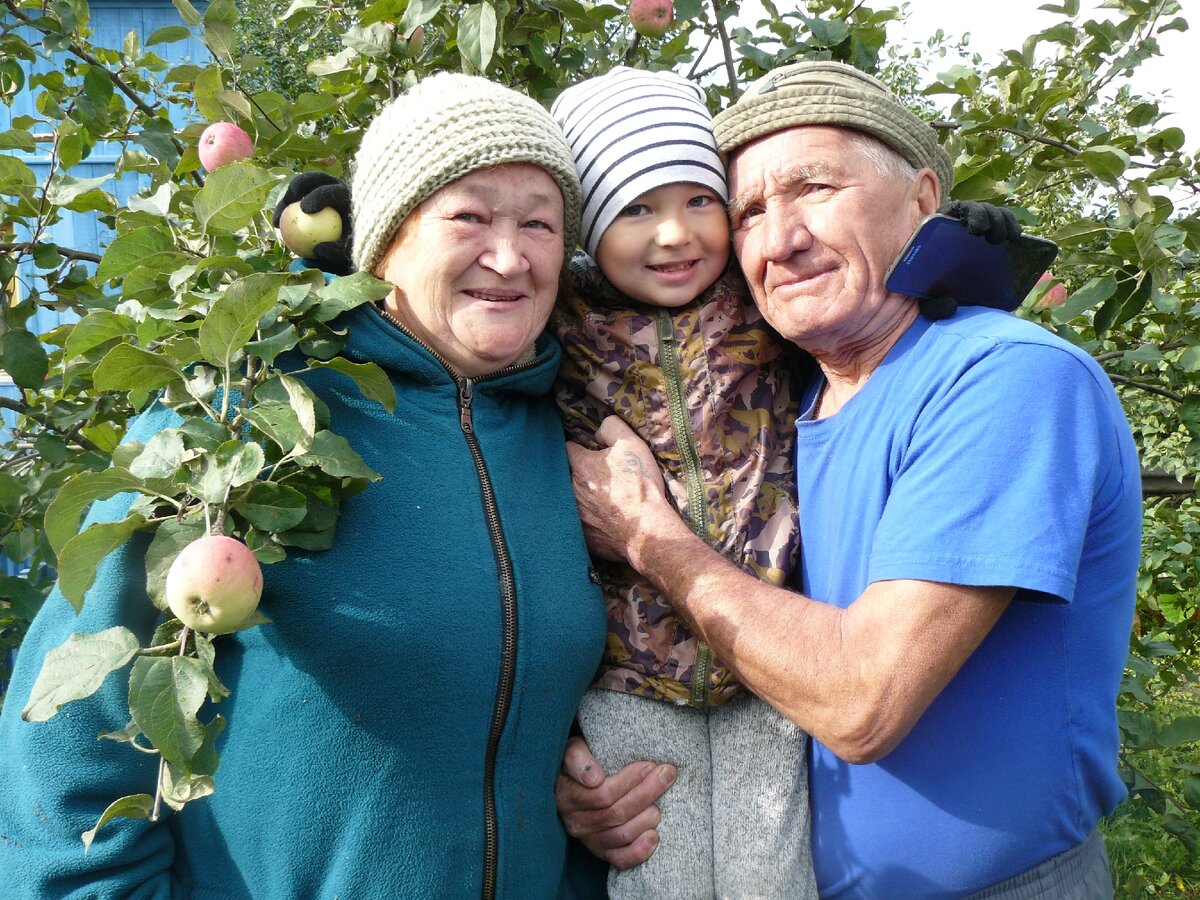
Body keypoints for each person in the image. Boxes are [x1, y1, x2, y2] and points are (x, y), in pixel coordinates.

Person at [0, 72, 608, 899]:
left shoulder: (578, 430)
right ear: (387, 238)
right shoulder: (247, 410)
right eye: (469, 215)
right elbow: (70, 738)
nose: (509, 256)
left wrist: (592, 794)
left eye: (538, 223)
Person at [558, 60, 1141, 898]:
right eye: (749, 211)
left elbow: (862, 703)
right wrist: (580, 778)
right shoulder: (787, 396)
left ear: (924, 199)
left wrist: (650, 536)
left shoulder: (999, 377)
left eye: (816, 188)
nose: (780, 236)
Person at [548, 66, 816, 898]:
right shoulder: (559, 314)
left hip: (768, 655)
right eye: (636, 209)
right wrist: (334, 242)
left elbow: (876, 275)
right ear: (589, 225)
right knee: (650, 873)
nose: (675, 235)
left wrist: (959, 250)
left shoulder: (763, 298)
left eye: (700, 199)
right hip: (629, 672)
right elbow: (429, 295)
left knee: (772, 881)